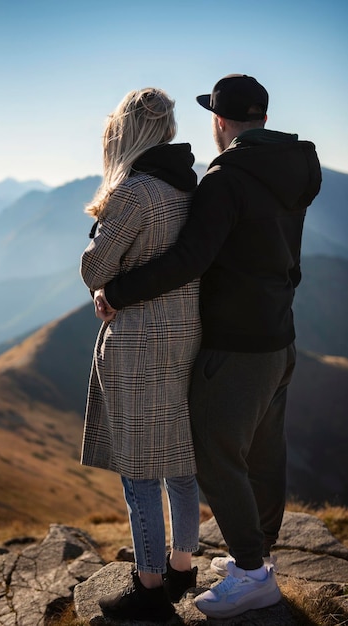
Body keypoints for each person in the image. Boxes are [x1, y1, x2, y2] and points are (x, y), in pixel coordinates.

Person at [95, 74, 322, 619]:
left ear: (220, 121)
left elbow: (189, 260)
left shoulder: (225, 178)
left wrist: (118, 292)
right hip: (280, 336)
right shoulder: (295, 168)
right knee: (266, 453)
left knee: (217, 458)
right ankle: (257, 557)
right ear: (263, 116)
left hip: (235, 345)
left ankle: (251, 573)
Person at [79, 87, 202, 621]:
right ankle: (182, 566)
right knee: (179, 459)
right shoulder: (189, 188)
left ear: (125, 134)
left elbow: (93, 270)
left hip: (136, 343)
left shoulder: (133, 193)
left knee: (139, 469)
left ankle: (149, 584)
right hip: (184, 336)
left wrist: (96, 228)